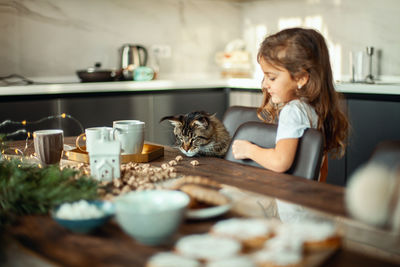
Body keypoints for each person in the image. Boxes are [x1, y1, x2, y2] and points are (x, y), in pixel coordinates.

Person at [231, 27, 349, 181]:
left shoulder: (292, 111)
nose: (265, 84)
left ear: (301, 78)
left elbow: (280, 162)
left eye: (272, 78)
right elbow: (322, 168)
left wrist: (249, 150)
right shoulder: (315, 108)